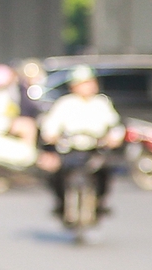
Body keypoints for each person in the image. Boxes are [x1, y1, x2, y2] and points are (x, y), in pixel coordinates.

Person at [38, 65, 124, 221]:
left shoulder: (101, 103)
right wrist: (51, 136)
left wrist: (114, 138)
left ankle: (99, 203)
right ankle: (61, 203)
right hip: (70, 149)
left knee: (106, 171)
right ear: (73, 86)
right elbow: (50, 125)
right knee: (54, 174)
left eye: (89, 82)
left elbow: (115, 125)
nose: (87, 87)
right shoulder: (65, 104)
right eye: (82, 83)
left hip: (95, 149)